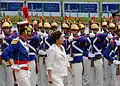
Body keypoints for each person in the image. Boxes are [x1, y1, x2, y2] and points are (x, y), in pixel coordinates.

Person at [1, 20, 31, 86]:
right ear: (24, 33)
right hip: (20, 69)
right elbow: (4, 53)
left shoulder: (25, 42)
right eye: (28, 32)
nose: (30, 34)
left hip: (26, 69)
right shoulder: (16, 42)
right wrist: (11, 65)